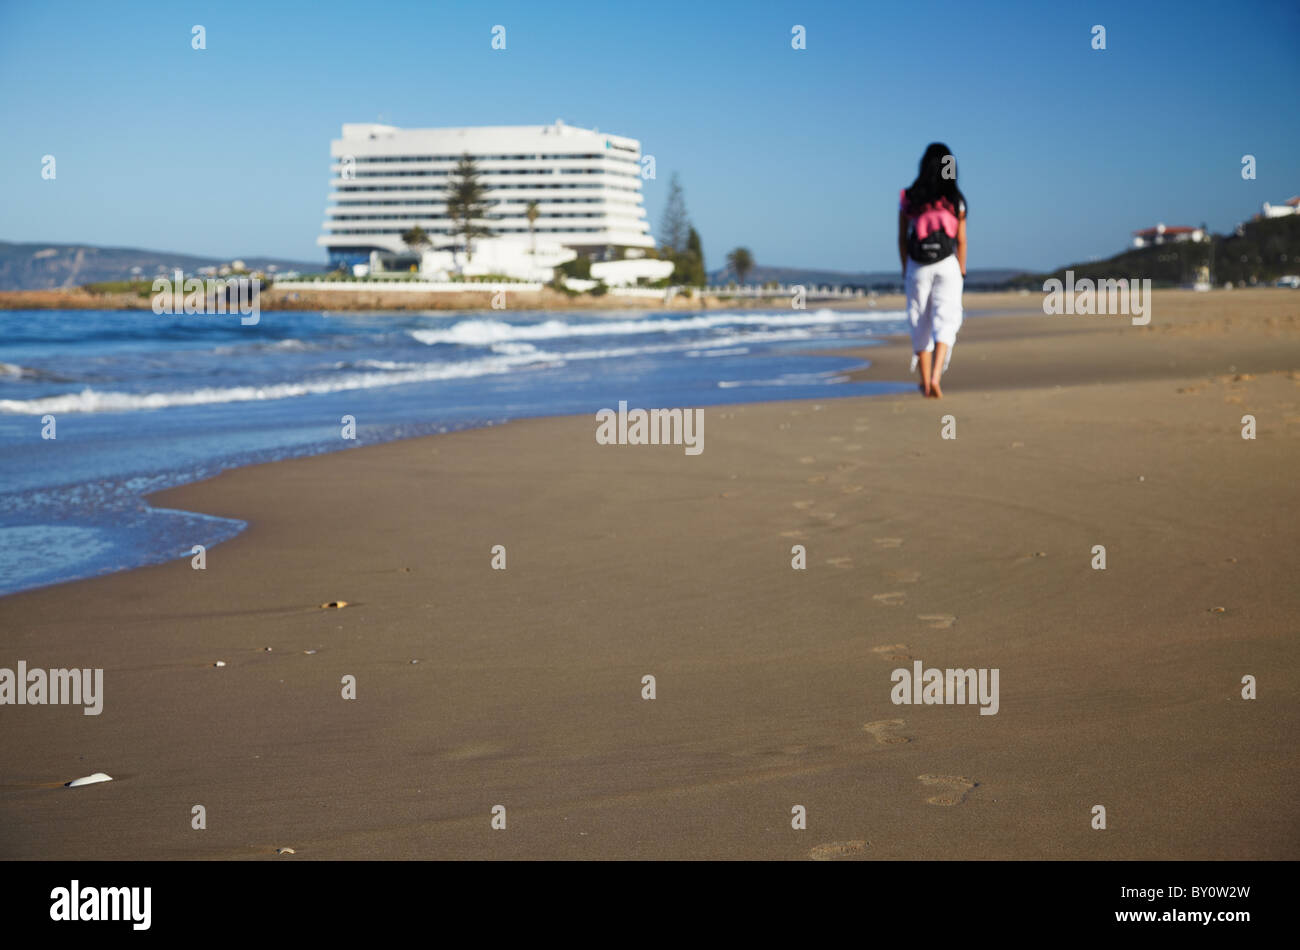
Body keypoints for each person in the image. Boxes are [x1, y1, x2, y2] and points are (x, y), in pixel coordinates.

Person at [898, 143, 967, 397]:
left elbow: (902, 238)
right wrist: (961, 270)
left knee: (920, 319)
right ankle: (937, 375)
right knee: (945, 318)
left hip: (918, 265)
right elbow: (961, 240)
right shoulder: (954, 200)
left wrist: (906, 268)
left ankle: (925, 381)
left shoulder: (909, 198)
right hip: (947, 264)